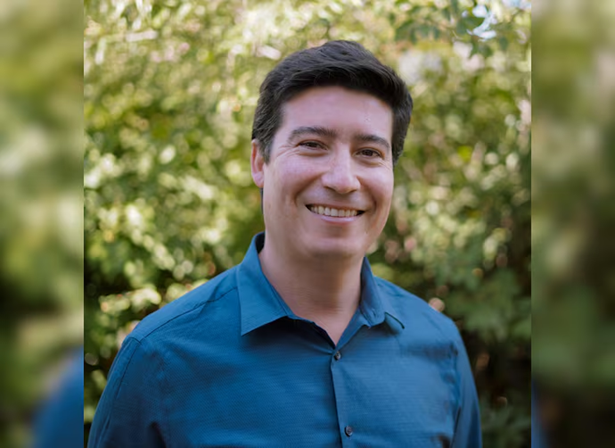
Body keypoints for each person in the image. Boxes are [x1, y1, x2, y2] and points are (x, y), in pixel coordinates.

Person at [88, 40, 482, 448]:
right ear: (260, 161)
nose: (343, 180)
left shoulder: (441, 347)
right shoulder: (158, 358)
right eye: (313, 145)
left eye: (368, 152)